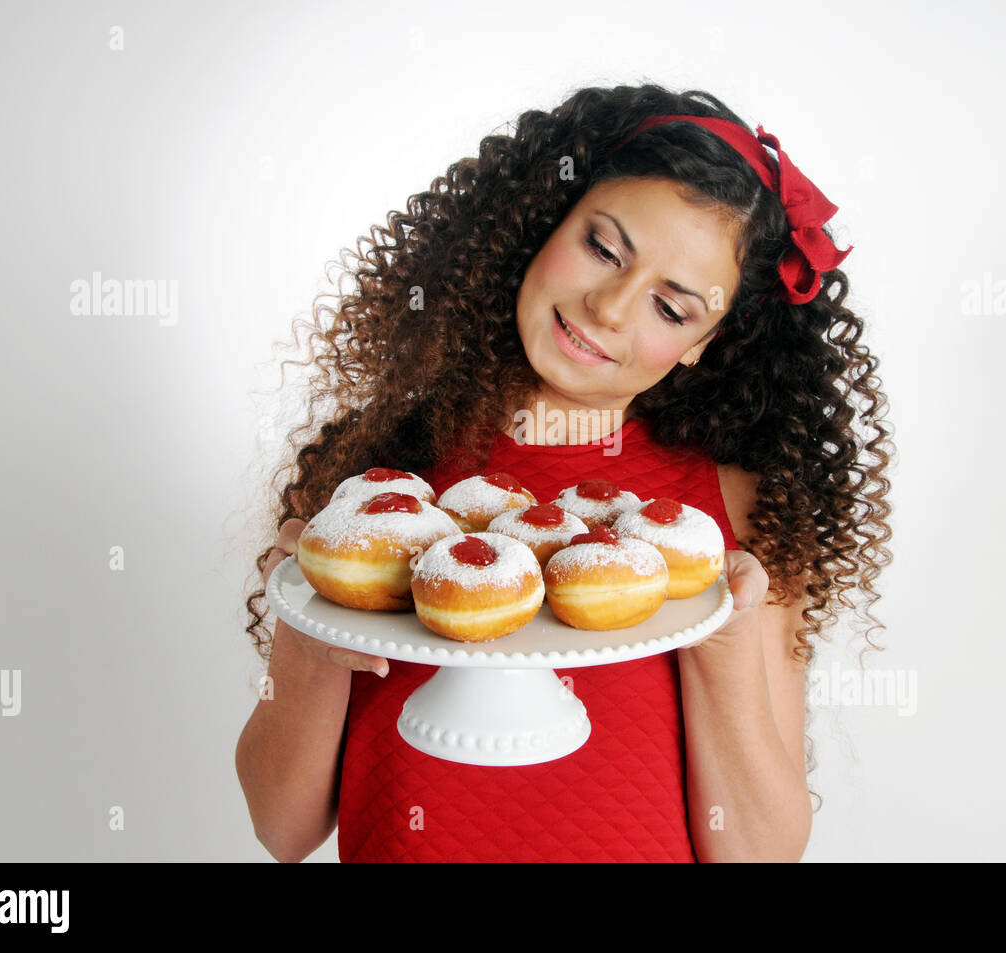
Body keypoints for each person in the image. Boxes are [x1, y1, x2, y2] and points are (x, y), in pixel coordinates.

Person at [235, 83, 894, 863]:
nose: (611, 305)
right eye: (603, 248)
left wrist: (726, 640)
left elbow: (758, 853)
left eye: (672, 308)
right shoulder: (383, 491)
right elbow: (283, 829)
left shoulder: (732, 514)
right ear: (544, 219)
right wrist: (309, 643)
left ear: (702, 345)